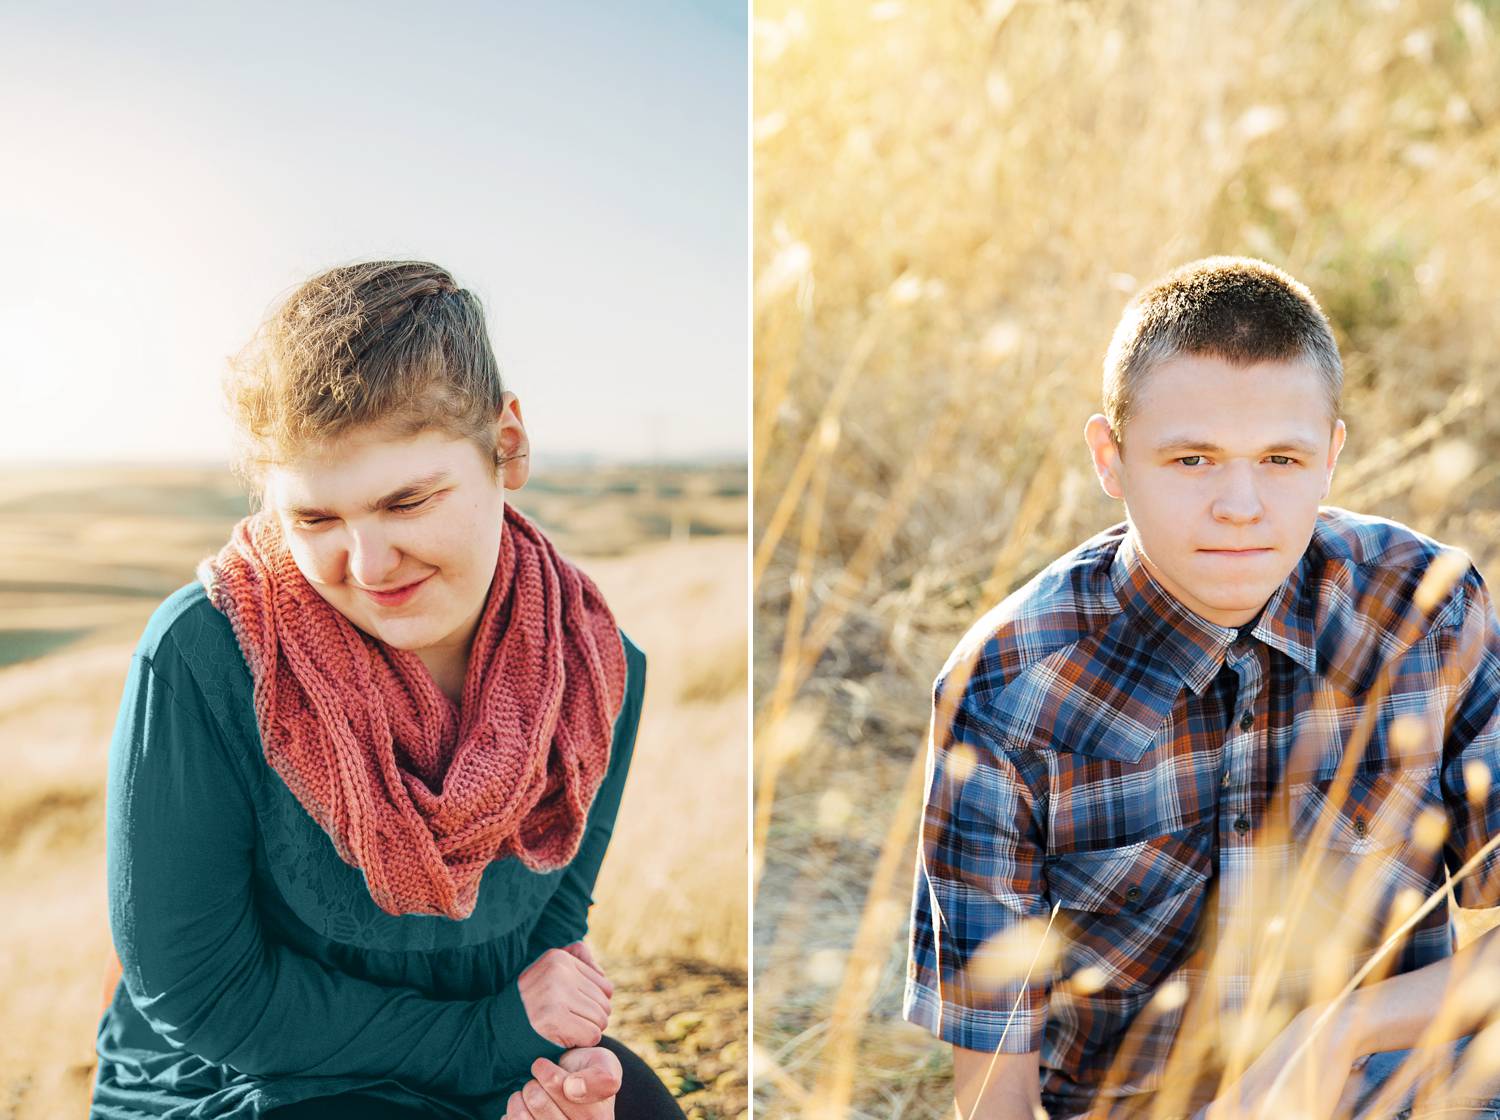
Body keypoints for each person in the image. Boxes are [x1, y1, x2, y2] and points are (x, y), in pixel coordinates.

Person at [903, 257, 1500, 1119]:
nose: (1240, 504)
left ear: (1331, 456)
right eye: (1192, 459)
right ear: (1111, 459)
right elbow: (995, 1089)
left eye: (1281, 458)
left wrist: (1335, 1033)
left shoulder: (1425, 609)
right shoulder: (1007, 687)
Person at [90, 261, 688, 1120]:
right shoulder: (202, 655)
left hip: (487, 1043)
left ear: (507, 444)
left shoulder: (596, 672)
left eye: (407, 501)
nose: (366, 568)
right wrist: (492, 1043)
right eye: (316, 520)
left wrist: (554, 1085)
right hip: (240, 1081)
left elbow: (548, 918)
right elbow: (202, 995)